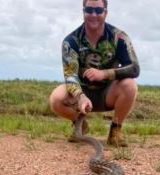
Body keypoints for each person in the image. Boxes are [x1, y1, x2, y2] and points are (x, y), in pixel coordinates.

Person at [49, 0, 140, 147]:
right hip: (80, 94)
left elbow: (134, 68)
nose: (93, 14)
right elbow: (70, 75)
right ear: (83, 11)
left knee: (130, 85)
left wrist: (104, 74)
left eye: (98, 11)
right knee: (56, 98)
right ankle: (80, 125)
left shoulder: (119, 37)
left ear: (105, 12)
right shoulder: (70, 41)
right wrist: (80, 97)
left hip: (109, 93)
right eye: (89, 10)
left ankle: (115, 131)